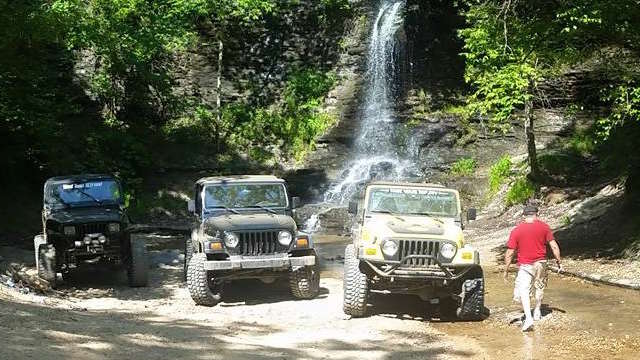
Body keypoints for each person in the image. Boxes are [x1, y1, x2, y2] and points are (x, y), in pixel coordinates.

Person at [504, 205, 562, 332]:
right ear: (537, 214)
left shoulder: (517, 230)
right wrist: (558, 261)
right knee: (540, 285)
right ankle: (537, 310)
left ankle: (529, 318)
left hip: (525, 265)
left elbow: (510, 252)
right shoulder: (544, 227)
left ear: (524, 215)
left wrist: (506, 269)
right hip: (541, 263)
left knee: (524, 290)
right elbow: (554, 246)